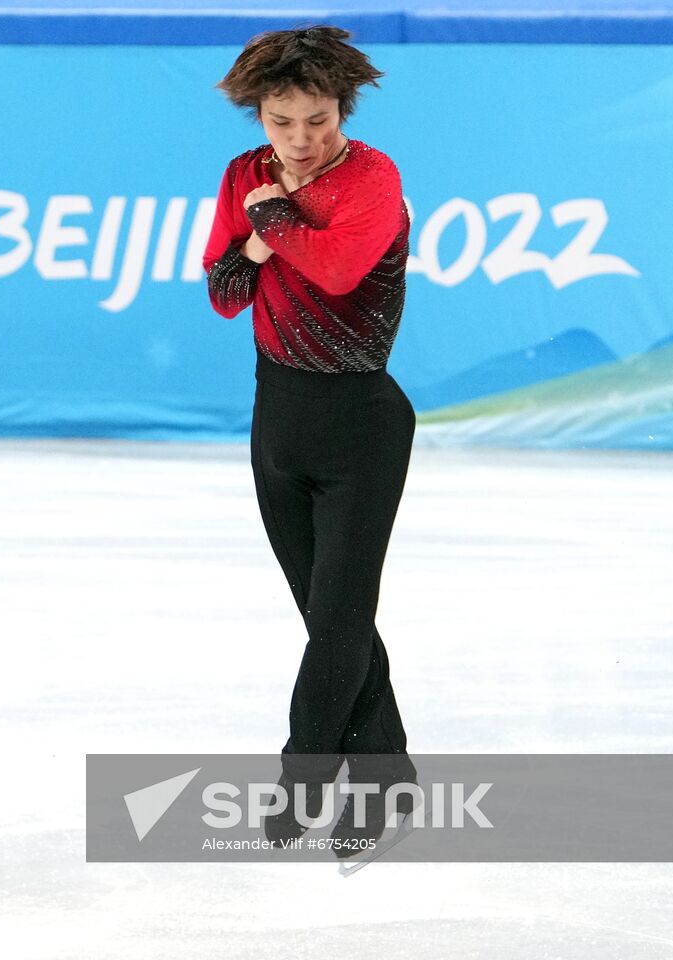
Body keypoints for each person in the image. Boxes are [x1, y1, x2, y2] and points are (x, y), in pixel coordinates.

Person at [201, 24, 418, 857]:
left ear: (342, 111)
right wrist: (258, 232)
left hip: (361, 425)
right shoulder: (242, 177)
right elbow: (225, 292)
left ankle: (305, 774)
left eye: (317, 120)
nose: (299, 139)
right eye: (281, 121)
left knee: (338, 620)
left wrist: (269, 221)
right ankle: (388, 777)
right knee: (332, 620)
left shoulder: (372, 177)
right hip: (277, 424)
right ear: (259, 114)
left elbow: (334, 270)